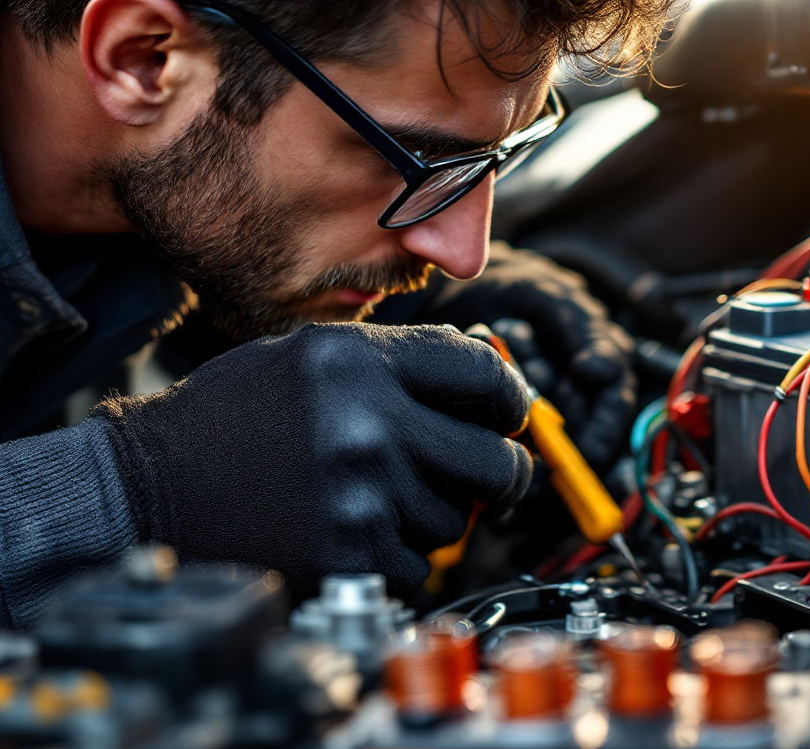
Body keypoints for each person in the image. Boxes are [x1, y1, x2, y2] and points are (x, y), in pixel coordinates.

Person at [0, 0, 669, 628]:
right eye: (413, 159)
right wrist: (138, 490)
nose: (465, 252)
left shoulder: (166, 172)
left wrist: (406, 300)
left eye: (489, 157)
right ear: (144, 59)